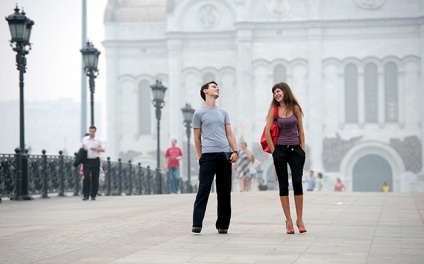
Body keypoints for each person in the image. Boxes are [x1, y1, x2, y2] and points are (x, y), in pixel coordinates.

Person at [191, 81, 238, 235]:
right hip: (208, 155)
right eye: (213, 86)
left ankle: (223, 225)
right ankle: (197, 223)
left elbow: (229, 133)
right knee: (203, 189)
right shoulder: (198, 113)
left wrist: (235, 151)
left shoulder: (223, 113)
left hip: (225, 154)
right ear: (205, 91)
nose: (217, 88)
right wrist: (200, 156)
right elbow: (197, 138)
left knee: (224, 191)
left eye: (218, 86)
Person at [264, 82, 307, 234]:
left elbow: (301, 130)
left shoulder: (295, 107)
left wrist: (302, 148)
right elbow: (267, 132)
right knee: (283, 185)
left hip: (296, 149)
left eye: (278, 91)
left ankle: (299, 219)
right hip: (280, 150)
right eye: (274, 92)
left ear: (285, 91)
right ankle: (288, 220)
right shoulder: (274, 110)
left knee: (297, 182)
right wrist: (275, 151)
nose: (276, 94)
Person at [78, 126, 105, 201]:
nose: (91, 133)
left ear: (95, 131)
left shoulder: (98, 140)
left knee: (95, 178)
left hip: (95, 160)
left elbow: (103, 149)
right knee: (86, 177)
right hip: (86, 161)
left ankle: (93, 195)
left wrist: (96, 149)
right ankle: (85, 195)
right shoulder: (85, 139)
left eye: (92, 131)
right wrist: (83, 149)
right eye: (90, 131)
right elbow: (80, 147)